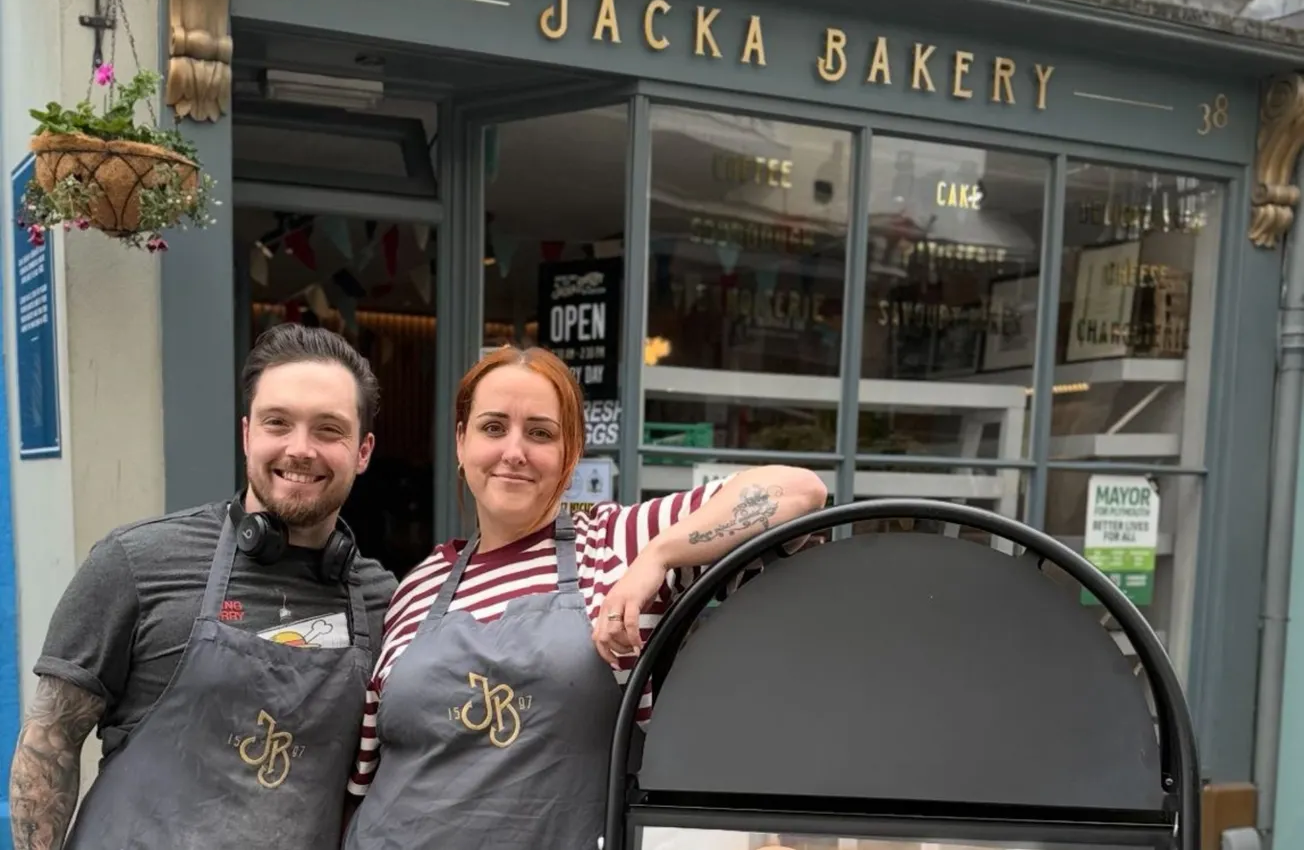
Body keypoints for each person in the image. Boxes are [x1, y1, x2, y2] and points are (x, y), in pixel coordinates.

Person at [342, 344, 827, 850]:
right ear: (462, 444)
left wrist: (659, 557)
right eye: (493, 427)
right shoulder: (417, 587)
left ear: (570, 454)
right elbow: (367, 770)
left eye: (540, 433)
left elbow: (797, 491)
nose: (514, 451)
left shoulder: (616, 545)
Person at [8, 323, 398, 850]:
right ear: (247, 434)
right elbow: (49, 739)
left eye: (329, 429)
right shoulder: (137, 562)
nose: (299, 449)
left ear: (363, 450)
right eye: (277, 422)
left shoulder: (385, 602)